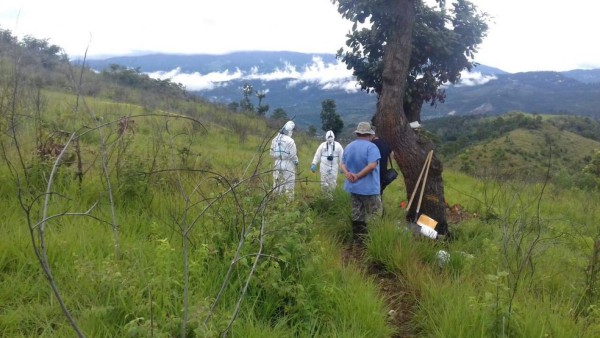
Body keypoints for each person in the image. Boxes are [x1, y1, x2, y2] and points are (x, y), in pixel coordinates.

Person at [340, 122, 382, 244]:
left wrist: (347, 173)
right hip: (369, 189)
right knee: (374, 213)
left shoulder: (349, 146)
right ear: (369, 134)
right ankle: (372, 241)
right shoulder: (372, 147)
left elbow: (342, 164)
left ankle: (358, 241)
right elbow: (372, 165)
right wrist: (358, 175)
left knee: (357, 213)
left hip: (353, 187)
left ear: (357, 133)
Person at [270, 120, 298, 200]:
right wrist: (296, 162)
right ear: (290, 131)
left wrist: (277, 158)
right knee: (289, 183)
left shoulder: (275, 139)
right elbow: (293, 155)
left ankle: (275, 199)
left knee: (277, 182)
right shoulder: (290, 140)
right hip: (288, 163)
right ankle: (289, 202)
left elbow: (271, 153)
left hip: (277, 162)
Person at [311, 130, 344, 197]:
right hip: (324, 166)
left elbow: (342, 157)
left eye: (331, 137)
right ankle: (324, 197)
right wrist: (314, 164)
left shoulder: (338, 146)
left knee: (333, 182)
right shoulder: (322, 145)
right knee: (323, 182)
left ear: (333, 137)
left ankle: (331, 197)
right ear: (326, 138)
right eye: (328, 138)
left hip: (334, 166)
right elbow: (317, 155)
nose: (330, 139)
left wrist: (342, 166)